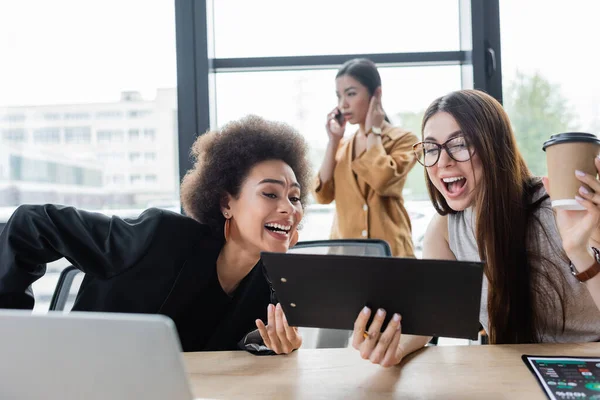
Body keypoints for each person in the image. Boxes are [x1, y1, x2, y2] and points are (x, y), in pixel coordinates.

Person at [0, 115, 313, 354]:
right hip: (82, 379)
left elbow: (227, 355)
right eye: (270, 194)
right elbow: (32, 224)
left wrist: (276, 347)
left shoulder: (268, 280)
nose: (289, 208)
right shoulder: (159, 239)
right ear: (226, 203)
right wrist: (10, 330)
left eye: (294, 197)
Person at [349, 89, 600, 367]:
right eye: (431, 148)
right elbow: (432, 315)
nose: (443, 161)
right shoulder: (445, 229)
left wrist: (580, 250)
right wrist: (395, 347)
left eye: (459, 144)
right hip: (515, 371)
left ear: (494, 146)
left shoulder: (559, 210)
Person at [313, 58, 418, 257]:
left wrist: (374, 132)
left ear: (376, 94)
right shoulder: (342, 146)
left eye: (351, 94)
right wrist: (333, 141)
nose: (343, 104)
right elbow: (322, 195)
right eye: (339, 96)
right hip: (345, 256)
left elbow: (382, 180)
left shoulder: (404, 140)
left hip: (391, 254)